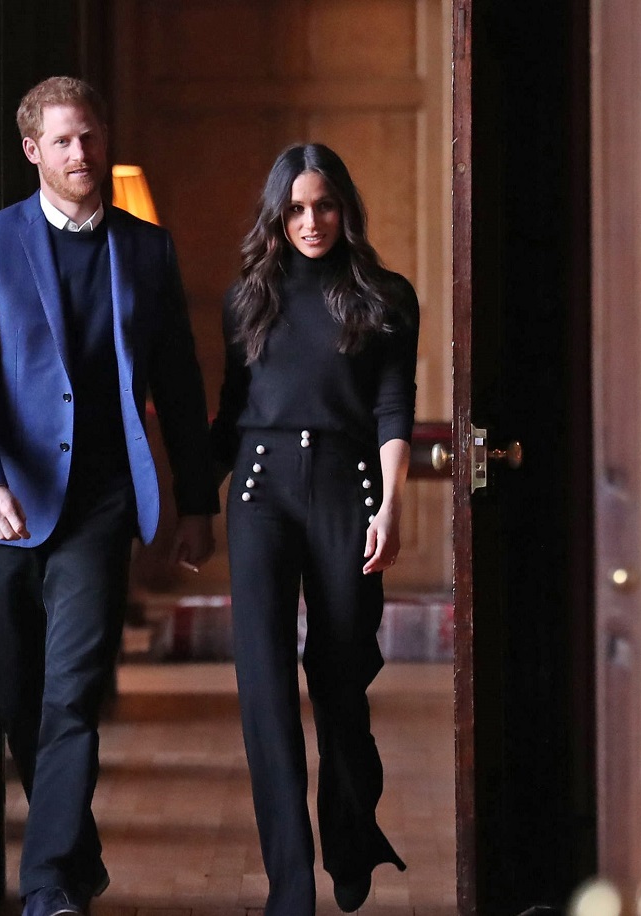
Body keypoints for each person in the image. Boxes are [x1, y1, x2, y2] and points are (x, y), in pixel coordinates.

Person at [0, 76, 218, 916]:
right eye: (62, 141)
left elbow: (177, 376)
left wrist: (196, 501)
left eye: (90, 137)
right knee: (17, 690)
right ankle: (77, 852)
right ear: (33, 151)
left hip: (99, 503)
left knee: (71, 691)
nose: (81, 153)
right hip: (5, 505)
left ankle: (49, 884)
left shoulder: (146, 250)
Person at [209, 143, 418, 916]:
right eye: (294, 208)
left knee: (341, 678)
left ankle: (352, 833)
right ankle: (288, 890)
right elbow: (231, 411)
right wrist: (194, 505)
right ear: (276, 214)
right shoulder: (246, 300)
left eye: (323, 205)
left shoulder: (387, 296)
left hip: (349, 488)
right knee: (264, 691)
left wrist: (392, 505)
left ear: (344, 208)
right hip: (260, 492)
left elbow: (396, 406)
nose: (310, 221)